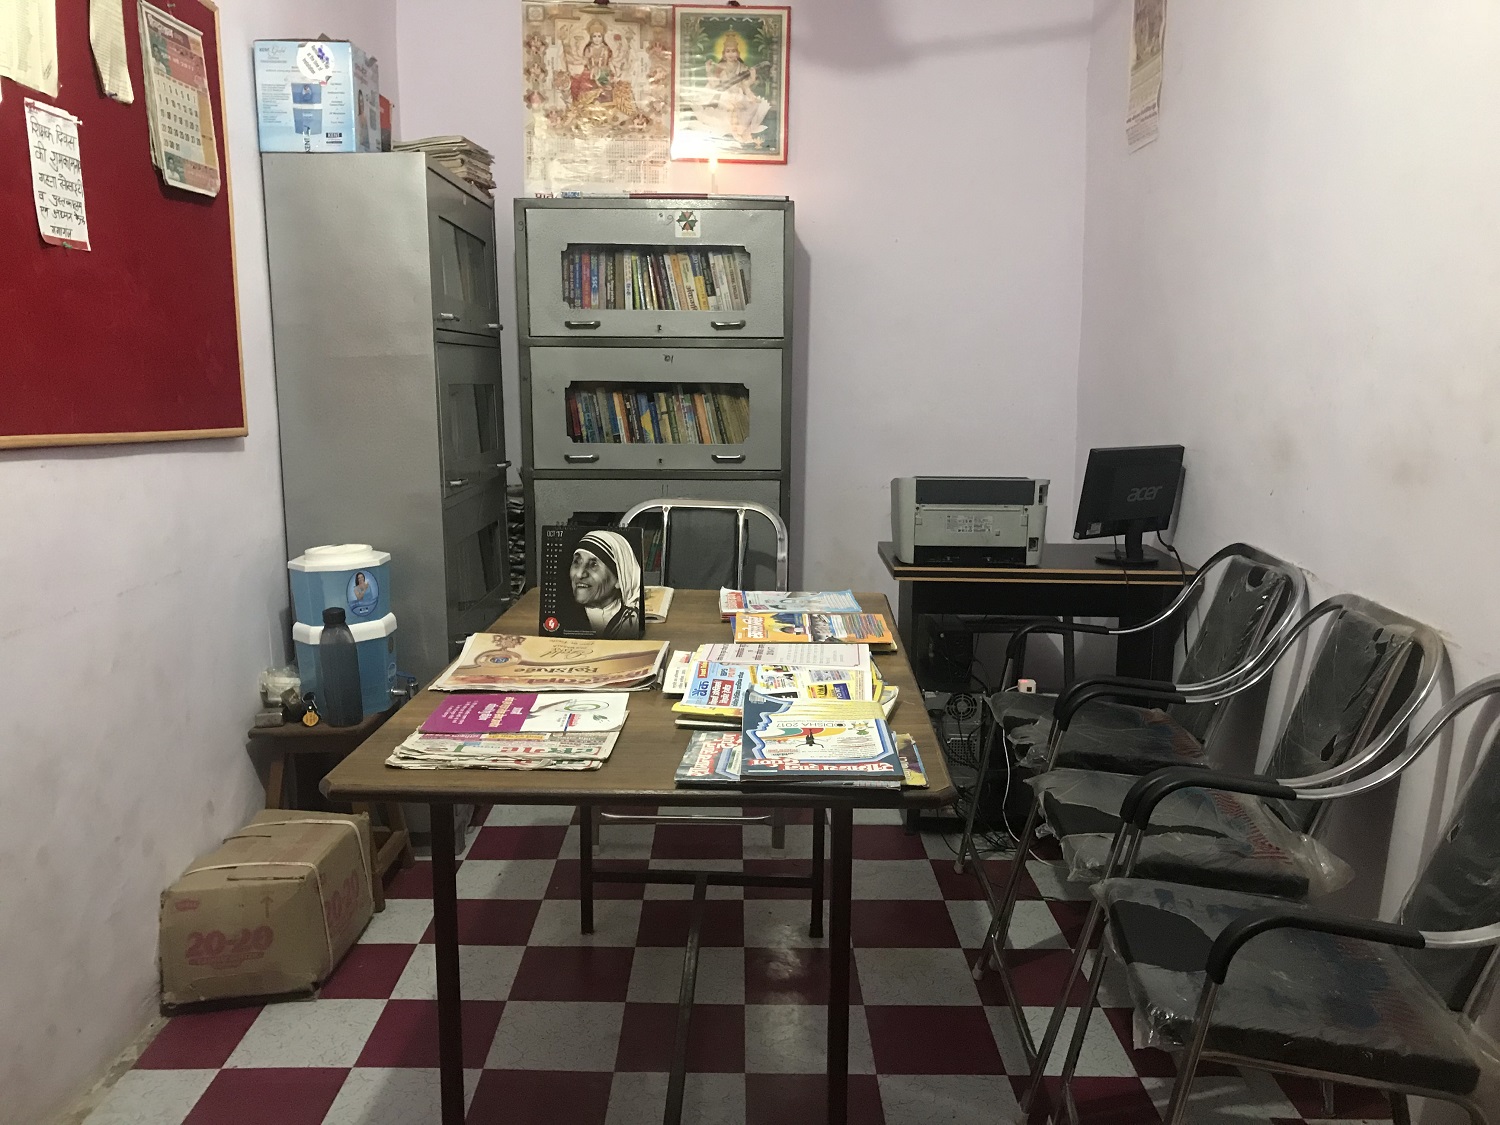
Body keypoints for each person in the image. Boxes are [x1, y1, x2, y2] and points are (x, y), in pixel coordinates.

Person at [568, 530, 642, 637]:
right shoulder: (564, 619)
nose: (579, 574)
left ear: (619, 579)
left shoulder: (634, 621)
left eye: (593, 564)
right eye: (577, 562)